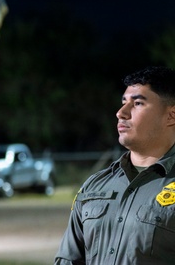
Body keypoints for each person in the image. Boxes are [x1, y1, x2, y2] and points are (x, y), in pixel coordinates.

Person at [55, 66, 175, 264]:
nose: (121, 113)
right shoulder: (94, 185)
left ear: (171, 116)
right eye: (123, 102)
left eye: (137, 103)